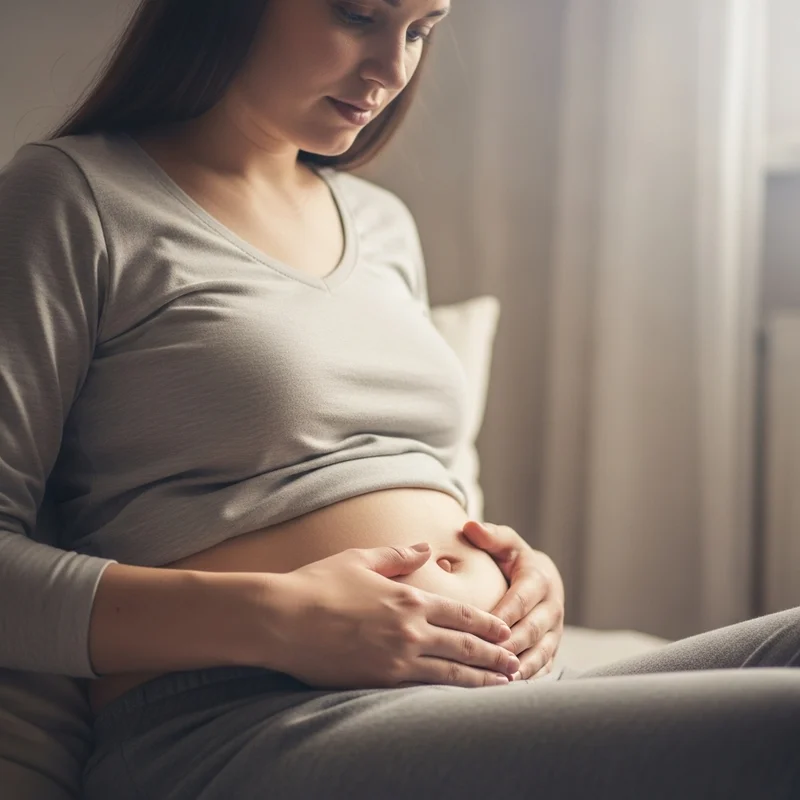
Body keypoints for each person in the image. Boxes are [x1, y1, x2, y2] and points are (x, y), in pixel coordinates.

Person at [0, 1, 798, 797]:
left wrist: (525, 578)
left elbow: (415, 480)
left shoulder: (381, 223)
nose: (392, 70)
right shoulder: (75, 197)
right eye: (358, 16)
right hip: (241, 722)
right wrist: (283, 618)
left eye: (419, 30)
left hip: (478, 694)